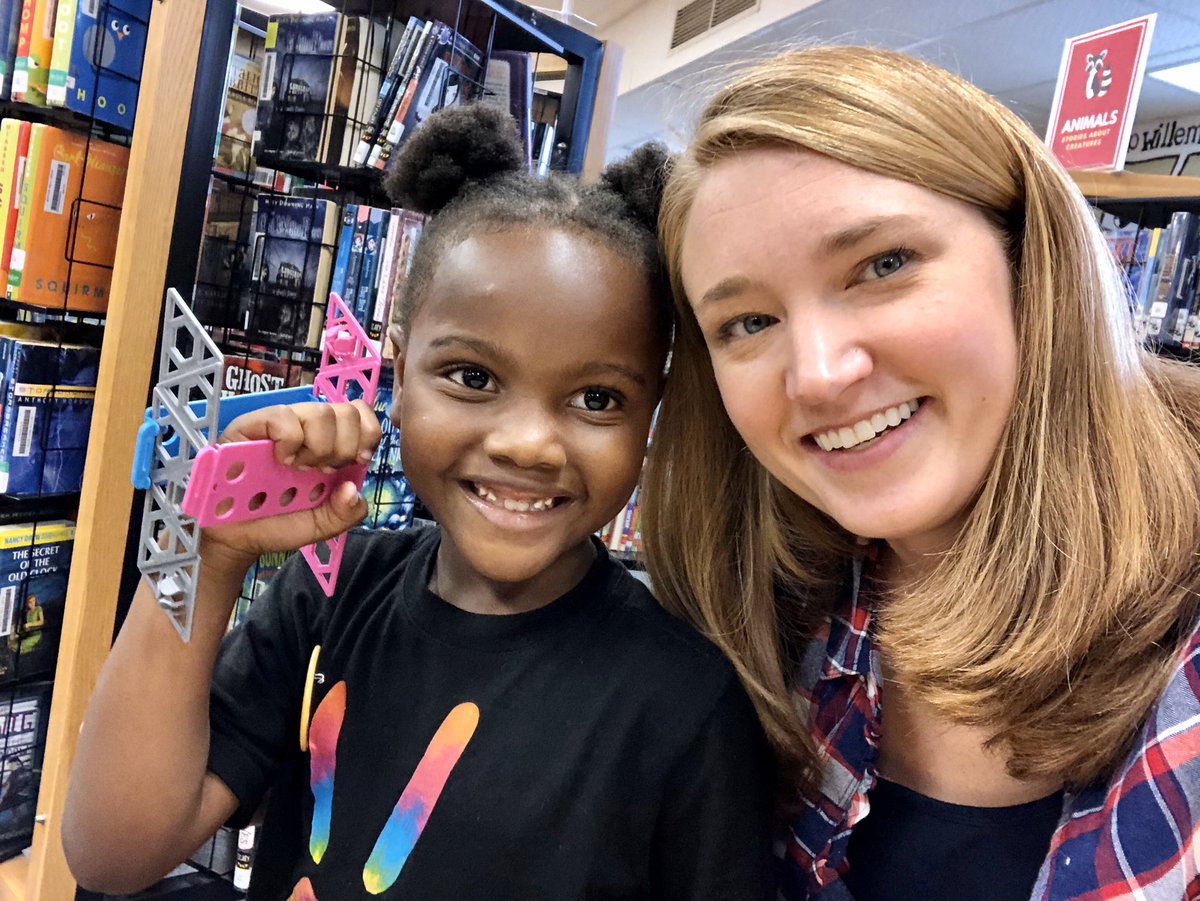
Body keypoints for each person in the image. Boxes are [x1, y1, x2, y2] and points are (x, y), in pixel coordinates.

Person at [63, 104, 774, 900]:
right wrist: (208, 553)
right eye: (473, 377)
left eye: (598, 398)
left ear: (653, 416)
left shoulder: (683, 703)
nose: (527, 443)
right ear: (396, 377)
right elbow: (111, 852)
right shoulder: (329, 594)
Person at [641, 46, 1200, 901]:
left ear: (1030, 263)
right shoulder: (775, 614)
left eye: (884, 264)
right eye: (749, 320)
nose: (819, 374)